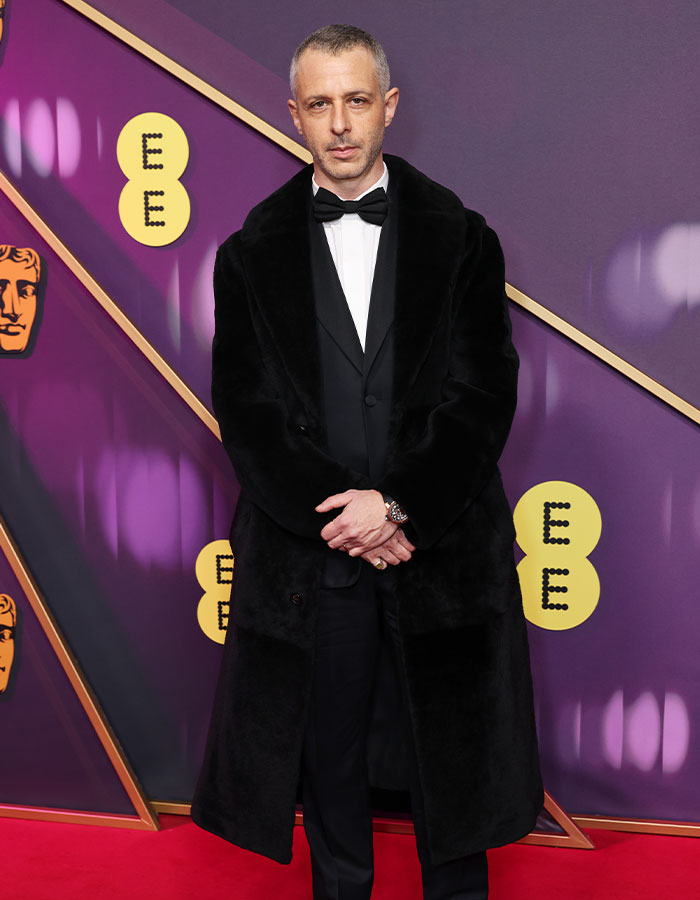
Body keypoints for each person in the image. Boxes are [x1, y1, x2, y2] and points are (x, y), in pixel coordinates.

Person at [192, 24, 543, 900]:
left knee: (453, 758)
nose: (340, 123)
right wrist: (344, 515)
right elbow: (250, 415)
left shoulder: (462, 238)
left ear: (387, 107)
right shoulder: (246, 254)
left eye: (356, 101)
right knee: (328, 756)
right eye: (320, 104)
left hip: (442, 545)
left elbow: (481, 396)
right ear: (294, 117)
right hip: (312, 557)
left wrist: (399, 506)